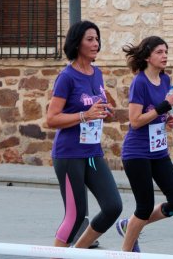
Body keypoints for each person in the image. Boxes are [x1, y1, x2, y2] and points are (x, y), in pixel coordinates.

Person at [46, 20, 122, 248]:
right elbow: (51, 119)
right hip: (69, 155)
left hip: (92, 152)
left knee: (112, 206)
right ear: (77, 43)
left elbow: (94, 108)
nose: (95, 43)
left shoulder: (96, 74)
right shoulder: (66, 77)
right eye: (90, 39)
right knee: (75, 215)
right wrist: (83, 116)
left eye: (97, 39)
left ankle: (78, 251)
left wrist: (104, 112)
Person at [116, 36, 173, 253]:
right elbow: (135, 121)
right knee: (144, 207)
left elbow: (160, 114)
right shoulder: (139, 82)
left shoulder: (165, 80)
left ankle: (130, 226)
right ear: (147, 56)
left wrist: (167, 118)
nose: (164, 55)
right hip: (137, 153)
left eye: (166, 51)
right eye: (159, 52)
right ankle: (125, 254)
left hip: (158, 151)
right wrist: (163, 107)